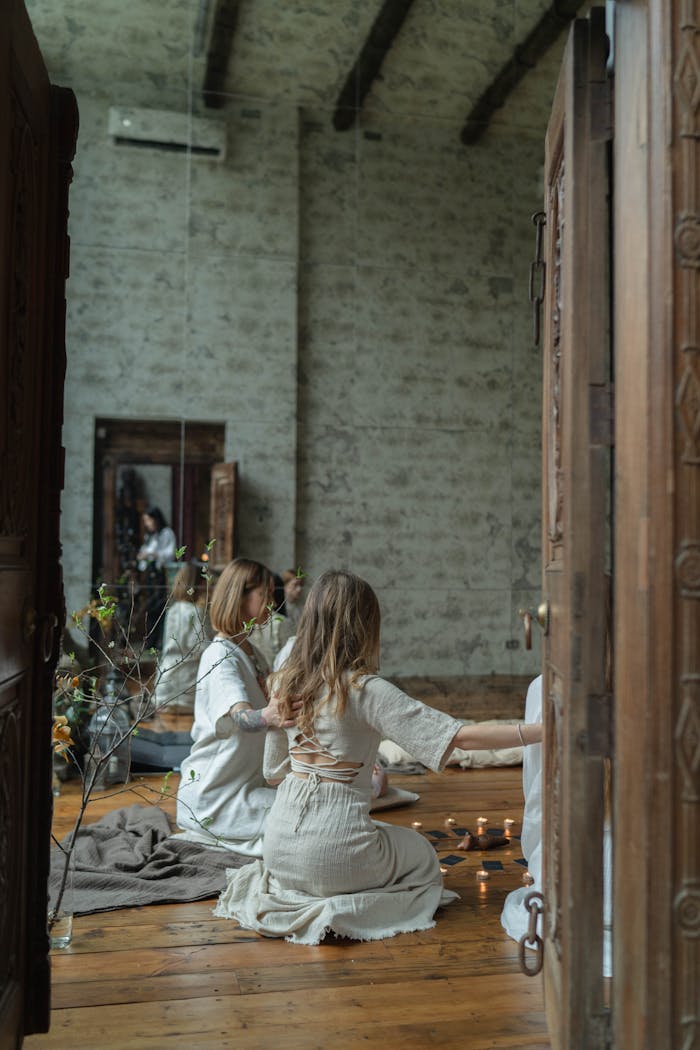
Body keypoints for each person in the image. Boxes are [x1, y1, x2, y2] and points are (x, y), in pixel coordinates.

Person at [214, 569, 542, 944]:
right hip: (337, 852)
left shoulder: (282, 682)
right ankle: (346, 903)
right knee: (421, 855)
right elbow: (459, 738)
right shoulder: (367, 690)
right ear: (365, 625)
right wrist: (541, 731)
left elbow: (274, 772)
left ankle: (324, 886)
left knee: (380, 835)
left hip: (278, 849)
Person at [174, 558, 300, 856]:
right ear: (240, 596)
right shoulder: (220, 656)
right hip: (215, 798)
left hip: (245, 786)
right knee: (304, 822)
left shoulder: (250, 651)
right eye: (264, 593)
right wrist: (271, 714)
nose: (272, 601)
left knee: (311, 811)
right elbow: (242, 716)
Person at [150, 563, 212, 713]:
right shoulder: (196, 611)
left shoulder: (174, 609)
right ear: (199, 584)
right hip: (185, 689)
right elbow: (201, 647)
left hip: (164, 684)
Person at [136, 506, 177, 649]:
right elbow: (143, 555)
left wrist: (153, 555)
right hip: (149, 577)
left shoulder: (167, 534)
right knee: (150, 609)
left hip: (160, 576)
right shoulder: (151, 537)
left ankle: (158, 643)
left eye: (148, 520)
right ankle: (150, 642)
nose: (147, 523)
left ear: (155, 519)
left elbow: (170, 554)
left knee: (159, 608)